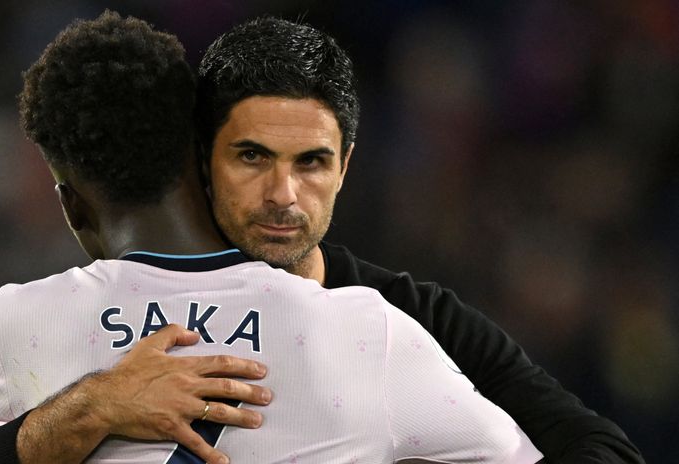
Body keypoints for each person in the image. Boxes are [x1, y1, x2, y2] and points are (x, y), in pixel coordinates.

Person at [0, 11, 544, 464]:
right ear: (206, 161)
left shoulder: (16, 326)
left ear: (71, 206)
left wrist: (82, 411)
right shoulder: (365, 331)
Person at [194, 16, 643, 464]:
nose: (283, 194)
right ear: (204, 159)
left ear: (344, 167)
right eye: (252, 156)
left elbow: (605, 449)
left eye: (311, 162)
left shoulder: (414, 318)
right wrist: (117, 402)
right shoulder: (132, 303)